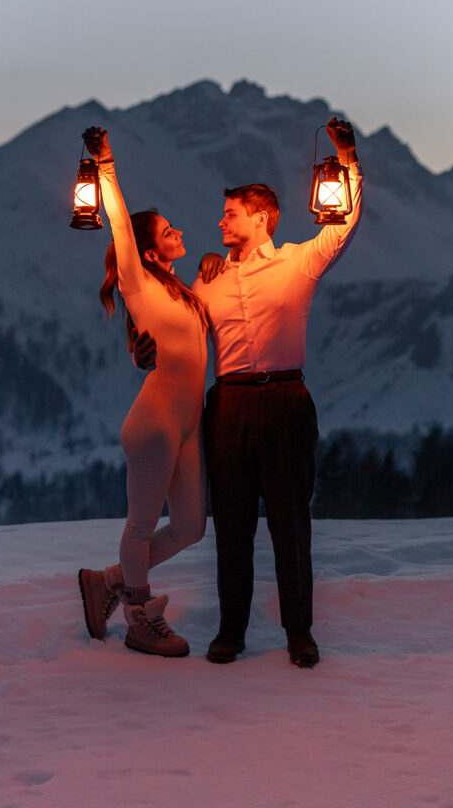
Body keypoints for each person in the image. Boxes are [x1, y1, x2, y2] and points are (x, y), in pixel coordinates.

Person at [135, 116, 363, 668]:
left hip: (286, 401)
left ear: (260, 217)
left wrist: (348, 160)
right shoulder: (206, 280)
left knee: (291, 524)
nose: (219, 220)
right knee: (232, 526)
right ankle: (230, 632)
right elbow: (169, 322)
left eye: (229, 213)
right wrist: (143, 350)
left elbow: (344, 224)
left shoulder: (297, 262)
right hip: (229, 406)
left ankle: (299, 633)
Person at [77, 127, 208, 657]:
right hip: (154, 421)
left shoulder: (184, 294)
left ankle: (107, 581)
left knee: (193, 527)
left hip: (187, 423)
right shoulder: (140, 282)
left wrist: (212, 271)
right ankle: (139, 620)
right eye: (168, 231)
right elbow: (119, 225)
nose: (177, 232)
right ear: (149, 253)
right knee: (142, 525)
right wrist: (105, 165)